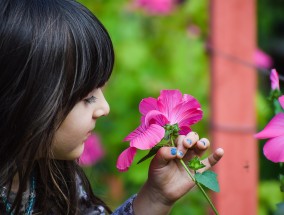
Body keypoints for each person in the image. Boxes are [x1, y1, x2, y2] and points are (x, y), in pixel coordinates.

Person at [0, 0, 224, 214]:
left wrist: (156, 198)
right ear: (23, 97)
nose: (104, 108)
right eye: (87, 97)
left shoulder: (58, 181)